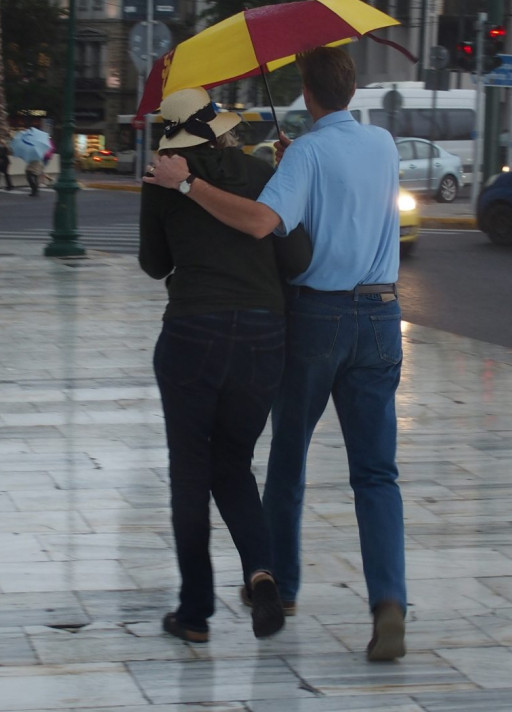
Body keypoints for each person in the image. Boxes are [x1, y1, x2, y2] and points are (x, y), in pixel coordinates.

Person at [144, 47, 407, 661]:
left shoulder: (307, 153)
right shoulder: (386, 144)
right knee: (376, 472)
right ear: (351, 88)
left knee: (287, 458)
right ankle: (389, 601)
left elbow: (265, 225)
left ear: (308, 93)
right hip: (382, 316)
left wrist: (185, 182)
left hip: (318, 317)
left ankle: (281, 586)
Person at [140, 87, 304, 644]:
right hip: (263, 336)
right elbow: (298, 255)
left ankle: (194, 613)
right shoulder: (261, 173)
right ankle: (261, 578)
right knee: (233, 464)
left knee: (191, 471)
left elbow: (153, 263)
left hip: (192, 334)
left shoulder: (163, 180)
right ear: (224, 128)